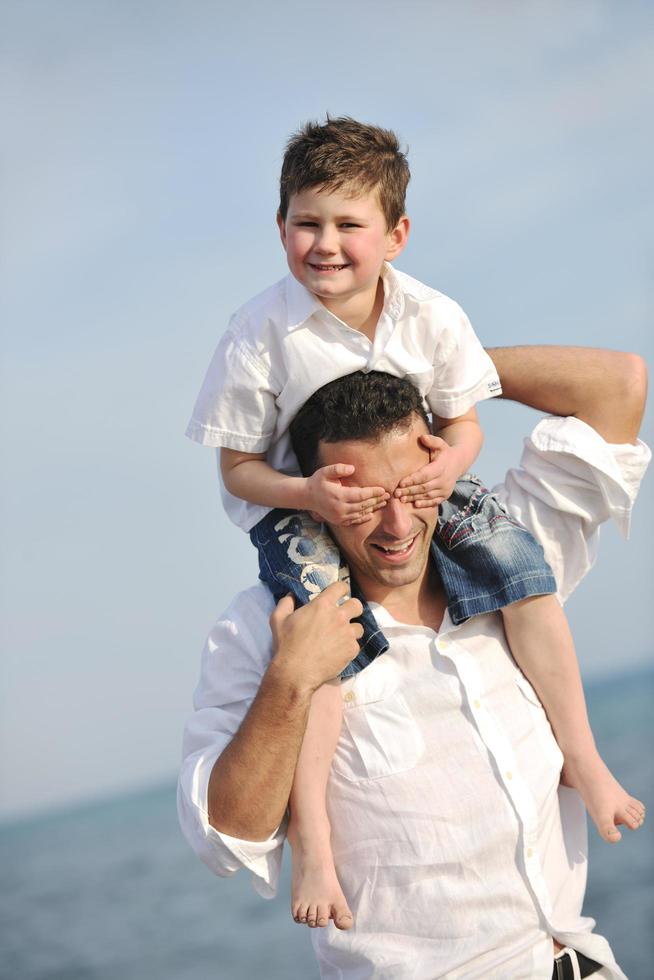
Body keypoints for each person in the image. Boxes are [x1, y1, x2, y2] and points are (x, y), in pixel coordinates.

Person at [185, 116, 644, 930]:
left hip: (435, 475)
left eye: (349, 226)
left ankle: (585, 758)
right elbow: (236, 469)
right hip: (305, 508)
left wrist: (443, 458)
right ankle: (318, 849)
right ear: (280, 227)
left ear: (396, 234)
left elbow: (489, 417)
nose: (325, 246)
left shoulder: (433, 316)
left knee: (526, 579)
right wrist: (316, 497)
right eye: (305, 224)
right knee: (329, 653)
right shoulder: (257, 333)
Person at [179, 349, 649, 979]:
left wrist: (426, 370)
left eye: (410, 489)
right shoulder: (264, 626)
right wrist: (291, 678)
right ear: (316, 498)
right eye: (365, 499)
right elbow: (226, 836)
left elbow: (618, 386)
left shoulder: (502, 555)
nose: (397, 524)